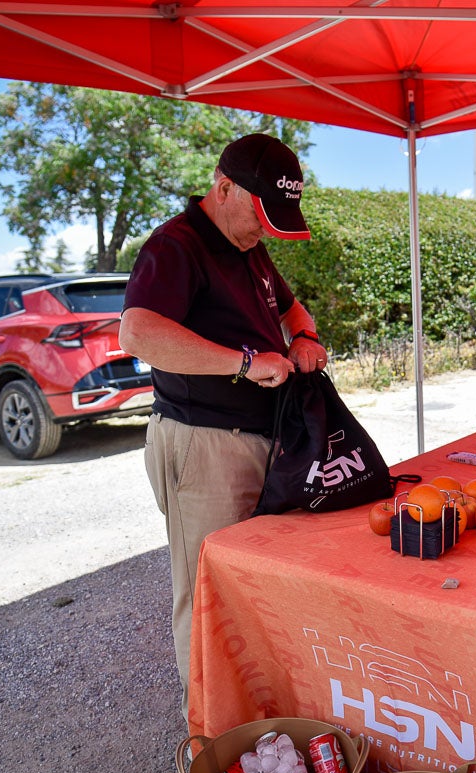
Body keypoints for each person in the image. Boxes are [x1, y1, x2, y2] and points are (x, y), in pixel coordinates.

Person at [118, 133, 329, 713]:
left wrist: (304, 337)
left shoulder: (247, 246)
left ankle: (257, 714)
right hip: (204, 445)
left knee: (254, 589)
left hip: (262, 441)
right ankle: (213, 736)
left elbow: (292, 310)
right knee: (208, 597)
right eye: (260, 216)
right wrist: (240, 362)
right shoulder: (177, 245)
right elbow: (139, 334)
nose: (264, 231)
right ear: (224, 187)